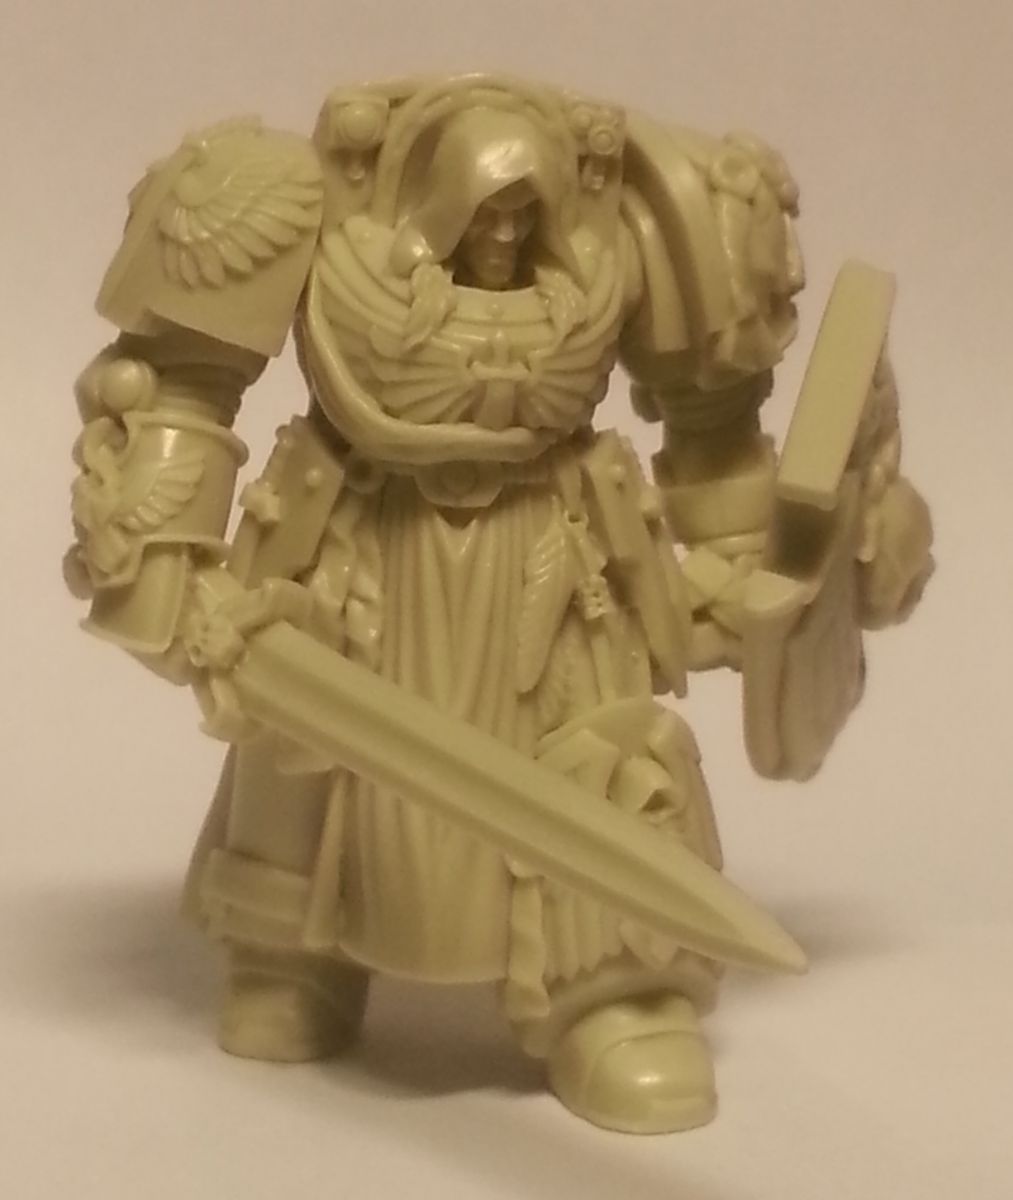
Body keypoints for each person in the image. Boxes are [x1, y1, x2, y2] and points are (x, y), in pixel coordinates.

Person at [66, 76, 932, 1133]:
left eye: (528, 214)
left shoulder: (647, 219)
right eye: (484, 210)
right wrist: (163, 565)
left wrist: (760, 574)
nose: (506, 234)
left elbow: (716, 430)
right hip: (358, 533)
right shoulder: (308, 217)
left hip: (561, 547)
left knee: (601, 750)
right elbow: (175, 383)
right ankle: (295, 949)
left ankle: (610, 992)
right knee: (307, 745)